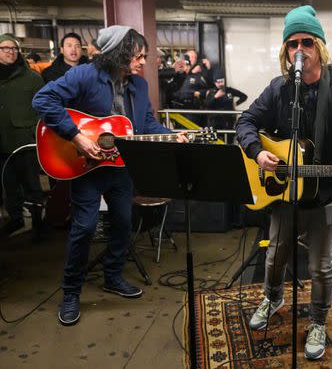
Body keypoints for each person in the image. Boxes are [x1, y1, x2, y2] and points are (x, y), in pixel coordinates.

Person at [32, 25, 188, 326]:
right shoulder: (85, 76)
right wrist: (76, 136)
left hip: (121, 169)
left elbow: (144, 126)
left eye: (144, 55)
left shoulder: (139, 87)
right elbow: (42, 101)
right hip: (86, 167)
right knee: (85, 227)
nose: (143, 61)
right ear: (118, 53)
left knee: (124, 223)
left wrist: (172, 136)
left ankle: (113, 276)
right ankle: (71, 292)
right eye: (137, 55)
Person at [235, 5, 332, 360]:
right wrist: (258, 153)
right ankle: (272, 297)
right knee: (275, 255)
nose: (299, 49)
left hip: (324, 195)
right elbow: (246, 121)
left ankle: (319, 320)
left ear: (320, 47)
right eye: (292, 42)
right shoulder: (279, 89)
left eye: (307, 41)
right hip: (283, 194)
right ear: (284, 50)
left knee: (320, 265)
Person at [0, 34, 46, 240]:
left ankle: (38, 222)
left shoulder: (32, 78)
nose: (10, 51)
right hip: (2, 140)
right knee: (8, 183)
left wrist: (34, 130)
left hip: (25, 140)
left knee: (32, 183)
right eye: (5, 48)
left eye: (14, 48)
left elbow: (44, 106)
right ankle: (16, 218)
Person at [171, 49, 214, 125]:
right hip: (180, 109)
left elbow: (209, 89)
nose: (192, 59)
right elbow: (174, 92)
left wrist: (200, 93)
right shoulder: (179, 75)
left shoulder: (201, 72)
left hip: (196, 110)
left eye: (194, 57)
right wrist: (193, 93)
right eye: (190, 57)